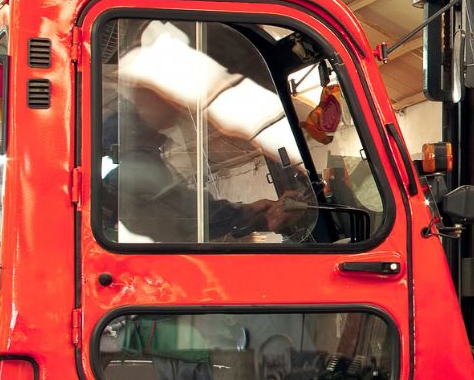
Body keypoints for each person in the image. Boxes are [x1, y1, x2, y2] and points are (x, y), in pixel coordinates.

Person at [100, 22, 314, 244]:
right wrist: (245, 216)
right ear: (145, 90)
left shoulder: (132, 145)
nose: (179, 106)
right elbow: (177, 218)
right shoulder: (132, 156)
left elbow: (181, 208)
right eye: (171, 95)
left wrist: (248, 212)